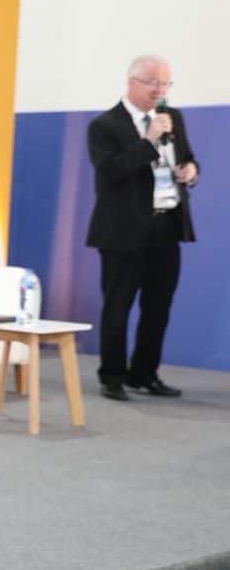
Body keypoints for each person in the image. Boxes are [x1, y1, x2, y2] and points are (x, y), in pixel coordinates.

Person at [86, 55, 200, 400]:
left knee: (158, 306)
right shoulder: (104, 125)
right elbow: (111, 172)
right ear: (132, 82)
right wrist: (148, 141)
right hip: (123, 230)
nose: (160, 90)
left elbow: (187, 157)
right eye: (153, 83)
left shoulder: (172, 117)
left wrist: (190, 171)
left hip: (166, 225)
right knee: (118, 305)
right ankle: (112, 376)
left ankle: (145, 373)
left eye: (165, 83)